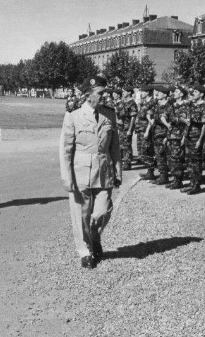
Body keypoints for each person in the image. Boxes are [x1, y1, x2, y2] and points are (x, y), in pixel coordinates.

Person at [59, 76, 122, 269]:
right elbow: (65, 150)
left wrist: (118, 171)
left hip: (104, 171)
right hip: (80, 173)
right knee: (81, 215)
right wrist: (67, 177)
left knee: (103, 210)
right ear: (88, 95)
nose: (105, 96)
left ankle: (94, 236)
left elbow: (115, 147)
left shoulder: (109, 115)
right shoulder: (73, 116)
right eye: (101, 93)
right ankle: (85, 251)